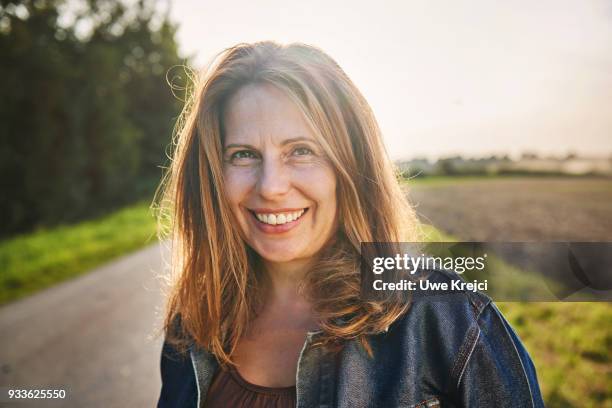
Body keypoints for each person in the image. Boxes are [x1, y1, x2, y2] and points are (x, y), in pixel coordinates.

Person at [155, 41, 544, 407]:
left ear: (352, 167)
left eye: (301, 151)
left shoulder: (449, 317)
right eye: (242, 154)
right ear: (210, 175)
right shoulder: (192, 325)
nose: (271, 186)